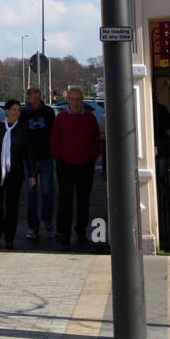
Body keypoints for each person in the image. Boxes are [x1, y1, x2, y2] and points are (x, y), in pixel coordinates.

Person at [0, 99, 35, 250]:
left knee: (12, 206)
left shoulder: (22, 129)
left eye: (18, 110)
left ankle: (9, 238)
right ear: (7, 111)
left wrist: (32, 173)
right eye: (14, 110)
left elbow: (28, 153)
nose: (17, 113)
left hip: (15, 172)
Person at [51, 86, 102, 249]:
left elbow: (96, 139)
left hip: (85, 165)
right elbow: (54, 140)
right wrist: (58, 159)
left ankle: (81, 231)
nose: (75, 102)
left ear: (82, 100)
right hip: (65, 165)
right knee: (65, 200)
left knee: (83, 200)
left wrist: (92, 157)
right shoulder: (61, 118)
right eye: (72, 99)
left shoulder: (90, 118)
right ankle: (63, 233)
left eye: (78, 99)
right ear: (68, 100)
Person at [20, 86, 56, 240]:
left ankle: (47, 218)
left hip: (47, 158)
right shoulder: (23, 114)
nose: (35, 101)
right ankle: (33, 227)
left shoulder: (48, 112)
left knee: (47, 192)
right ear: (28, 99)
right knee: (31, 194)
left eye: (38, 97)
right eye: (32, 98)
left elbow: (55, 133)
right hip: (30, 161)